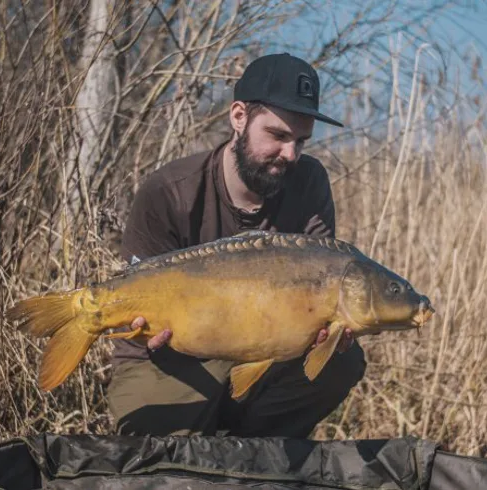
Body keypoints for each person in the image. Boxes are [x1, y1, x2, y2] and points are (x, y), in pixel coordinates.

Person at [106, 53, 366, 438]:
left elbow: (320, 287)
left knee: (342, 363)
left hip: (264, 349)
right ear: (239, 116)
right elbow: (136, 298)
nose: (290, 155)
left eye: (301, 141)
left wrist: (332, 325)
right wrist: (141, 325)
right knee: (166, 463)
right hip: (164, 358)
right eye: (277, 136)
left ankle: (256, 452)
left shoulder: (308, 183)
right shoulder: (169, 191)